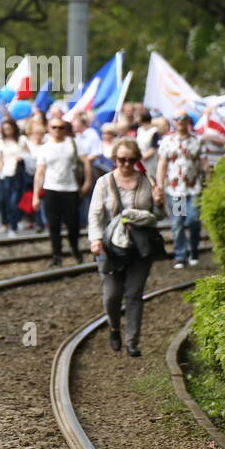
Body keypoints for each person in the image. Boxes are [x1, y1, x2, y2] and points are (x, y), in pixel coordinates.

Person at [89, 138, 159, 356]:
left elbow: (165, 215)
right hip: (111, 246)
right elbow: (95, 214)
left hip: (141, 247)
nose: (126, 164)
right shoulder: (104, 182)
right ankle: (114, 327)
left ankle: (133, 342)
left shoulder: (148, 180)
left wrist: (161, 202)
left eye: (131, 160)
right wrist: (95, 239)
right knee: (112, 295)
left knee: (134, 294)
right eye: (122, 160)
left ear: (137, 160)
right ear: (114, 160)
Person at [32, 117, 91, 265]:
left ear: (65, 129)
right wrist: (35, 196)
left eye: (61, 127)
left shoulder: (73, 143)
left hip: (71, 189)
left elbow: (86, 163)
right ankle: (56, 255)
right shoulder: (45, 148)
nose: (57, 131)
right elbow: (40, 172)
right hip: (51, 189)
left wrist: (87, 182)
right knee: (53, 225)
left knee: (73, 224)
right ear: (48, 128)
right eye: (54, 127)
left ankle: (74, 248)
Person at [155, 112, 207, 269]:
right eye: (177, 118)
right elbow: (162, 165)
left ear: (188, 121)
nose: (180, 122)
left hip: (194, 188)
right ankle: (181, 255)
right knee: (177, 222)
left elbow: (203, 162)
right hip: (175, 190)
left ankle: (194, 250)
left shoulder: (197, 140)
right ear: (173, 121)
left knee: (194, 220)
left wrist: (208, 181)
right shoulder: (167, 141)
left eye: (183, 119)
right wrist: (159, 185)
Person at [0, 117, 30, 233]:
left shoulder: (22, 140)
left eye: (9, 128)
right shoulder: (1, 142)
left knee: (14, 201)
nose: (7, 130)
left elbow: (28, 155)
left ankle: (14, 225)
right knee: (5, 200)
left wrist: (22, 157)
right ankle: (7, 222)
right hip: (5, 174)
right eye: (5, 128)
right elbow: (0, 159)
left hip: (18, 174)